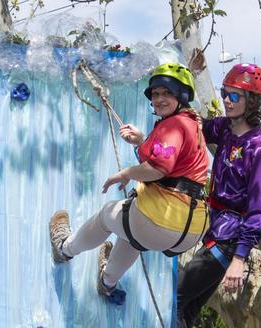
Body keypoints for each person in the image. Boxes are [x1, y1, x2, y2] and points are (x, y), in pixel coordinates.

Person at [48, 63, 209, 300]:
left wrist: (127, 173)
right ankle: (108, 282)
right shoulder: (193, 124)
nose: (160, 99)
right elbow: (173, 165)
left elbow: (159, 168)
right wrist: (142, 141)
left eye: (167, 93)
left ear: (181, 95)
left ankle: (65, 249)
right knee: (133, 233)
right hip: (190, 230)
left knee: (107, 215)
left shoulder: (174, 124)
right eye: (155, 94)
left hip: (162, 221)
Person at [175, 62, 261, 328]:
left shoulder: (259, 147)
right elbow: (195, 124)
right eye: (225, 93)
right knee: (188, 309)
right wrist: (188, 78)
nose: (227, 100)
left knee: (174, 301)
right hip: (214, 231)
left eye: (234, 96)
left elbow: (257, 211)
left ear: (251, 102)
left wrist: (239, 260)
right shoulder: (226, 130)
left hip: (229, 242)